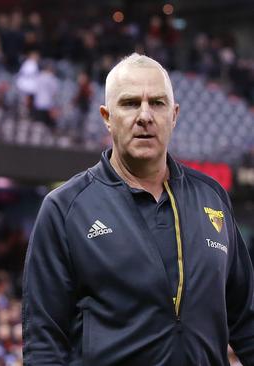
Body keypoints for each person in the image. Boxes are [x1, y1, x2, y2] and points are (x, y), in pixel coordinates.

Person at [22, 53, 254, 365]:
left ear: (174, 115)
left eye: (157, 103)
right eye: (130, 103)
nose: (145, 115)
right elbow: (44, 343)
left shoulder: (212, 197)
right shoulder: (65, 208)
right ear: (106, 116)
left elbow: (246, 320)